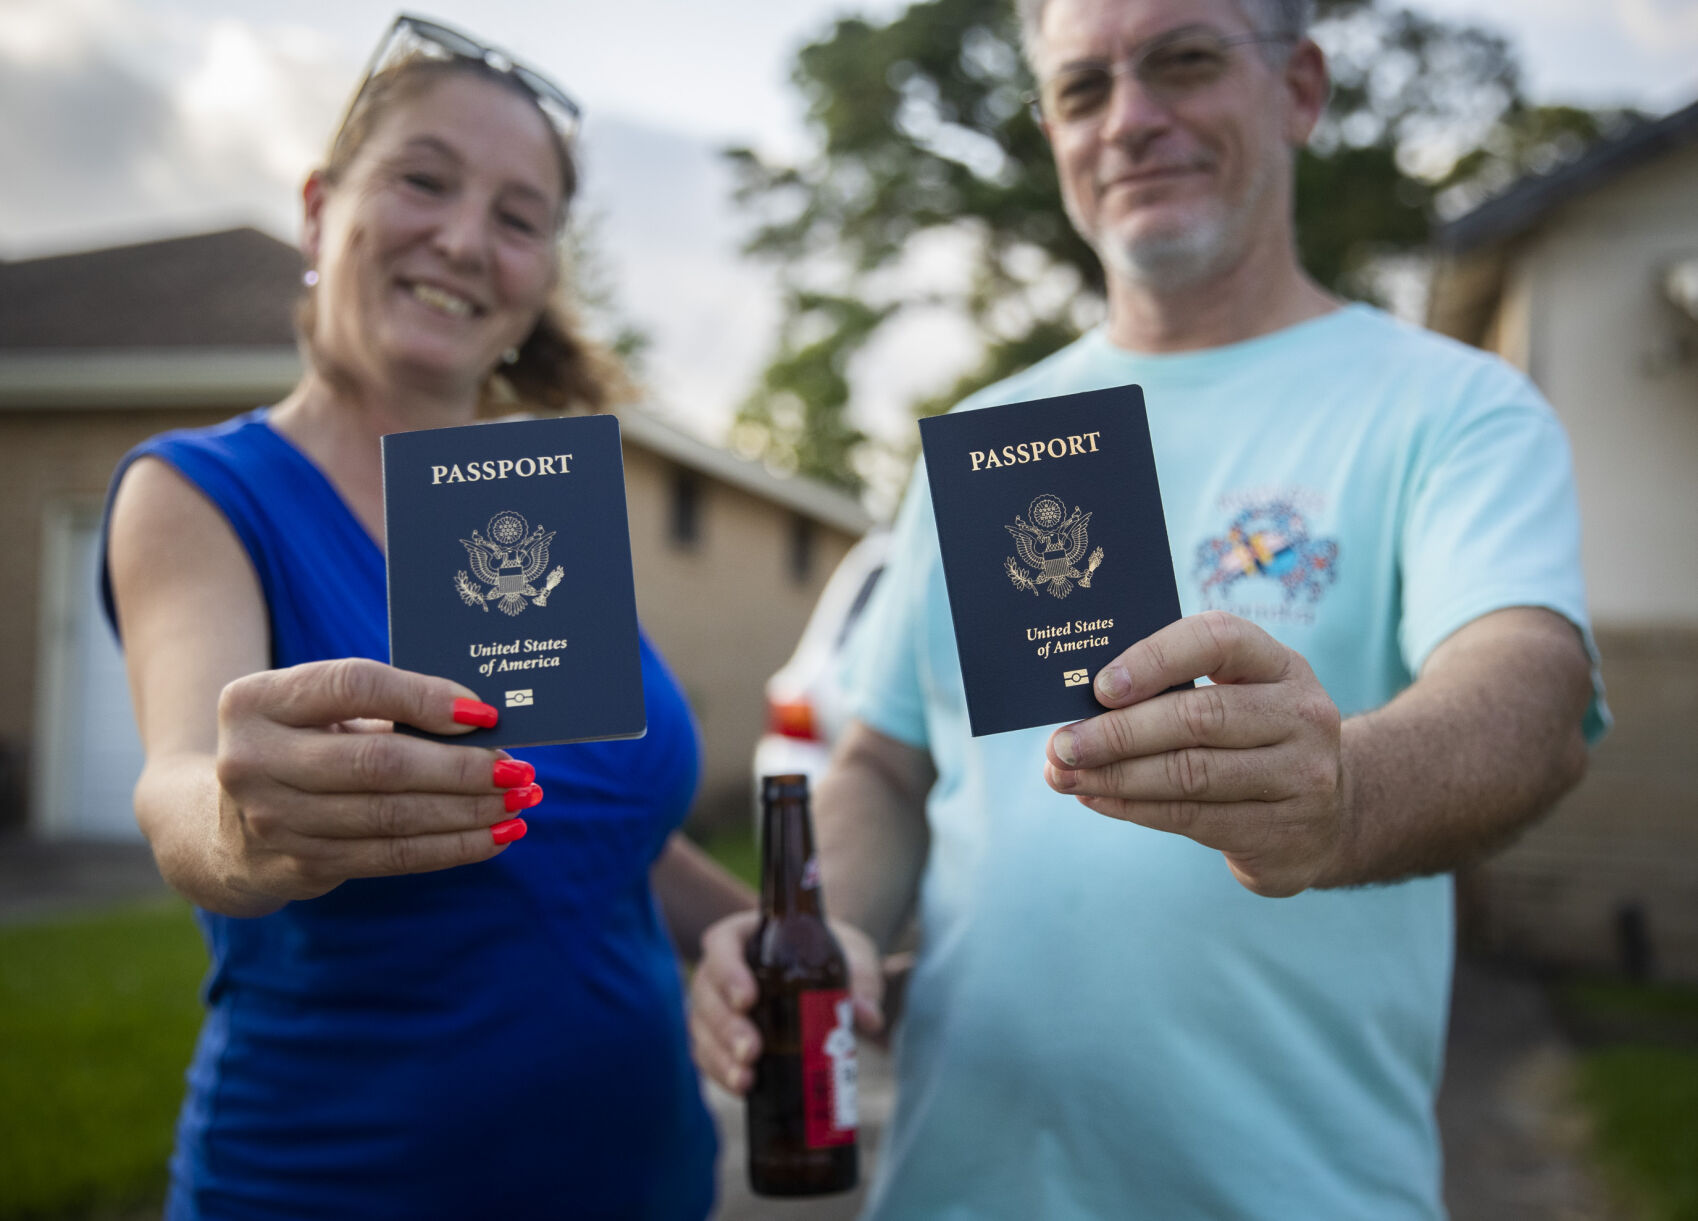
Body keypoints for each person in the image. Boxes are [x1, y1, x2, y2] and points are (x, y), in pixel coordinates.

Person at [689, 0, 1608, 1216]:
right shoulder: (982, 438)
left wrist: (1342, 796)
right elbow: (889, 760)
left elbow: (1530, 694)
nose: (1130, 120)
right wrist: (828, 926)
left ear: (1301, 86)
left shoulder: (1450, 409)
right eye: (1081, 88)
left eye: (1184, 60)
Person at [101, 16, 750, 1219]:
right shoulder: (198, 493)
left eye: (517, 217)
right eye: (424, 179)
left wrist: (773, 940)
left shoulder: (536, 509)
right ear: (317, 209)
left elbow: (600, 832)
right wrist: (242, 826)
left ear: (541, 275)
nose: (463, 238)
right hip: (332, 1187)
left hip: (650, 1185)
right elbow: (184, 785)